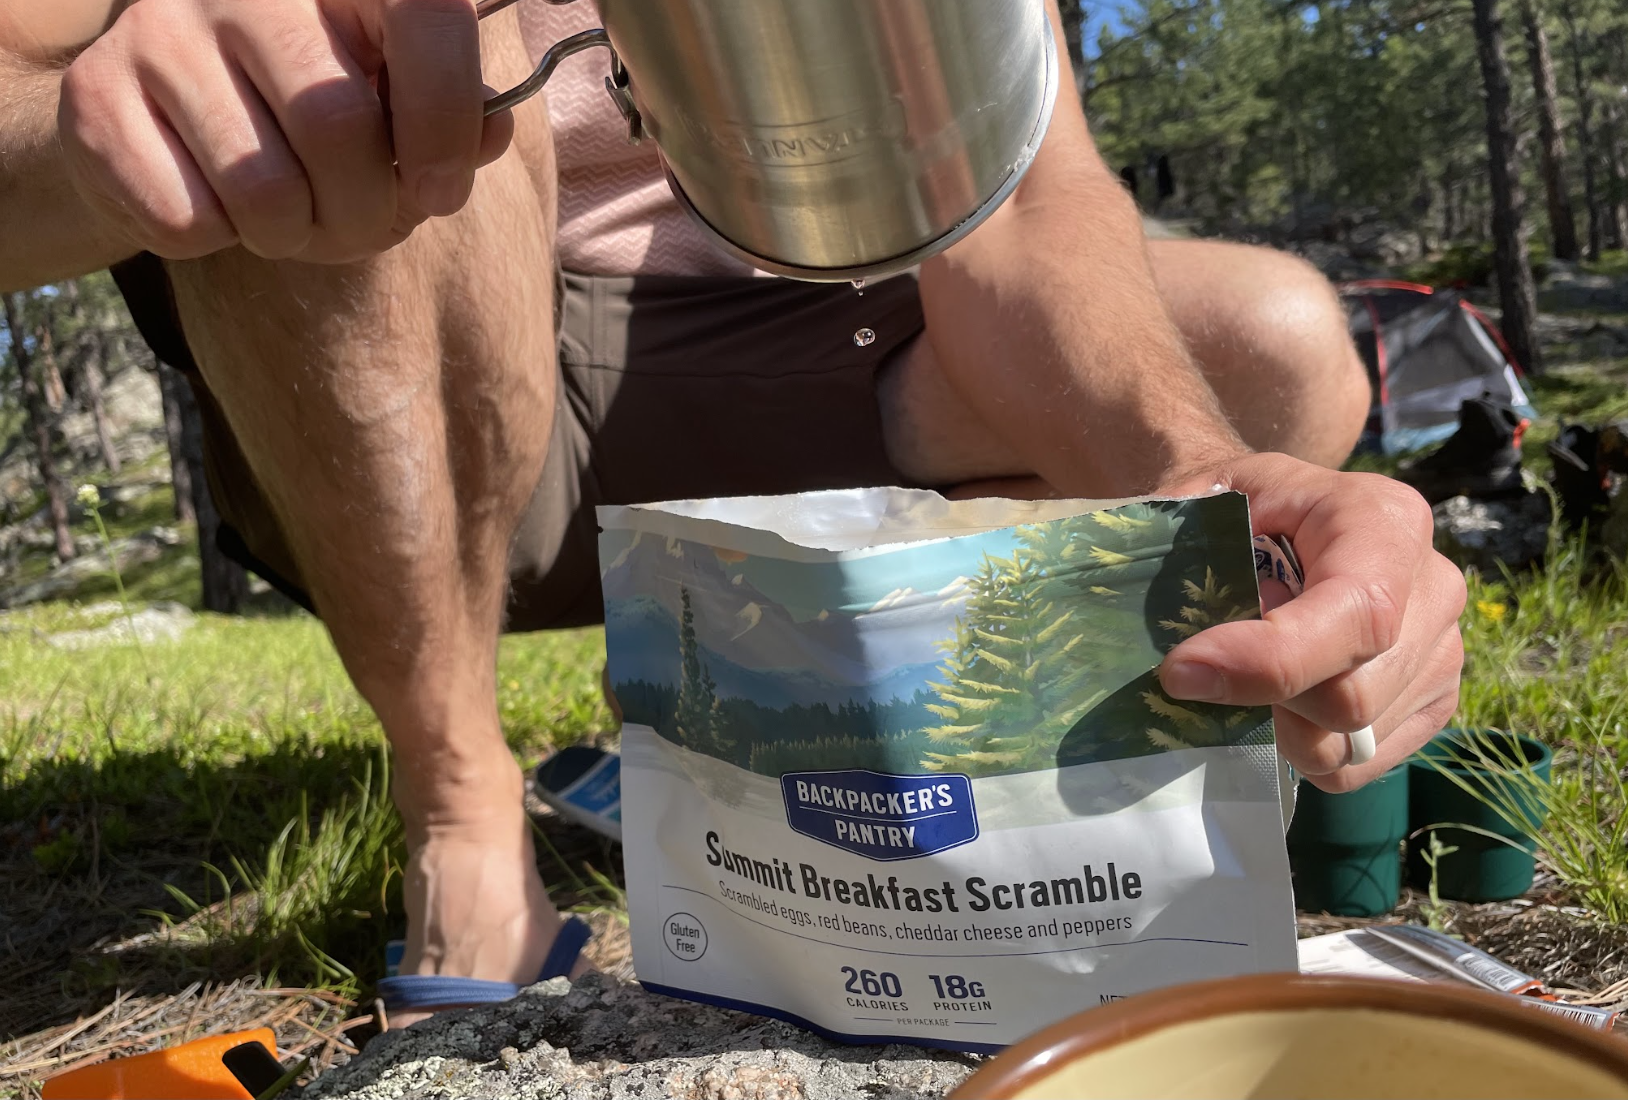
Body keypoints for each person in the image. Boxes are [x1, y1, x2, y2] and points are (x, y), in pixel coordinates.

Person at [0, 0, 1465, 1023]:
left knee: (1269, 338)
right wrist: (125, 126)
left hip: (817, 340)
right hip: (431, 366)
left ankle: (865, 745)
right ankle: (459, 799)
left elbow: (1018, 200)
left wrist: (1198, 488)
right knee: (353, 76)